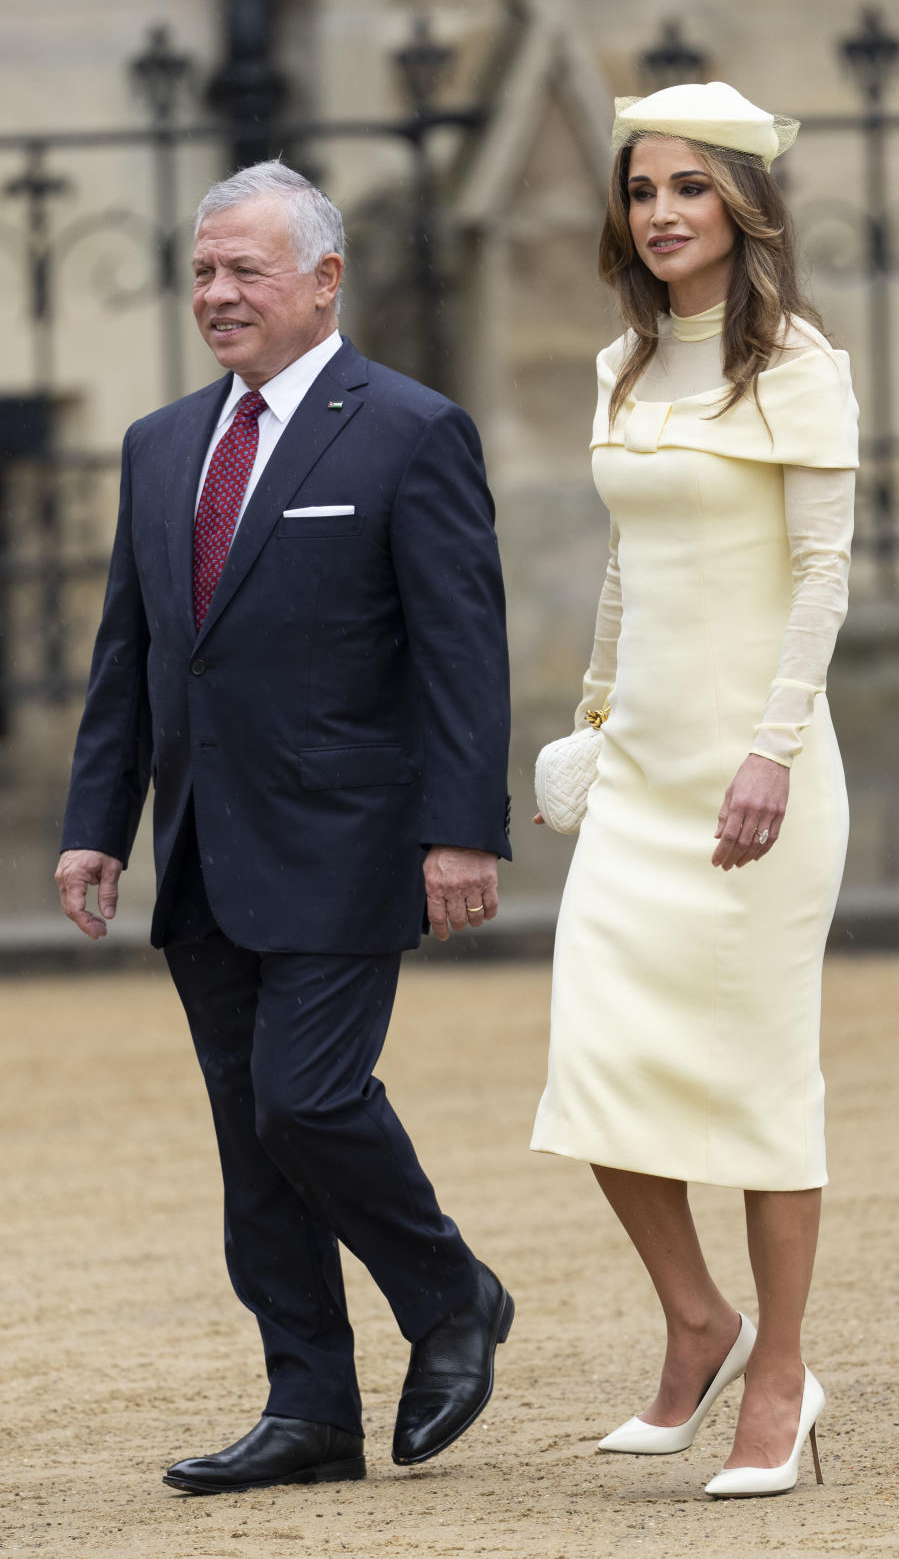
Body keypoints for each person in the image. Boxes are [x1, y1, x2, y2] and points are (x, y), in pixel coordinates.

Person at [55, 160, 514, 1494]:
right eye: (203, 270)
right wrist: (100, 824)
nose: (218, 293)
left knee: (306, 1099)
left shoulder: (411, 429)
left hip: (349, 836)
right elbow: (130, 658)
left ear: (325, 279)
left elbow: (461, 654)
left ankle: (450, 1293)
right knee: (253, 1144)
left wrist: (459, 829)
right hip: (203, 847)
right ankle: (309, 1405)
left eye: (246, 269)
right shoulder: (158, 445)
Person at [531, 82, 858, 1499]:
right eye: (643, 189)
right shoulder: (619, 364)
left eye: (689, 190)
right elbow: (626, 562)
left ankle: (779, 1375)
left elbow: (822, 573)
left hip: (758, 780)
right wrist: (594, 720)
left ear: (743, 205)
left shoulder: (797, 361)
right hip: (645, 773)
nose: (661, 213)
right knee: (595, 1062)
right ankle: (697, 1318)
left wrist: (770, 751)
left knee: (759, 1085)